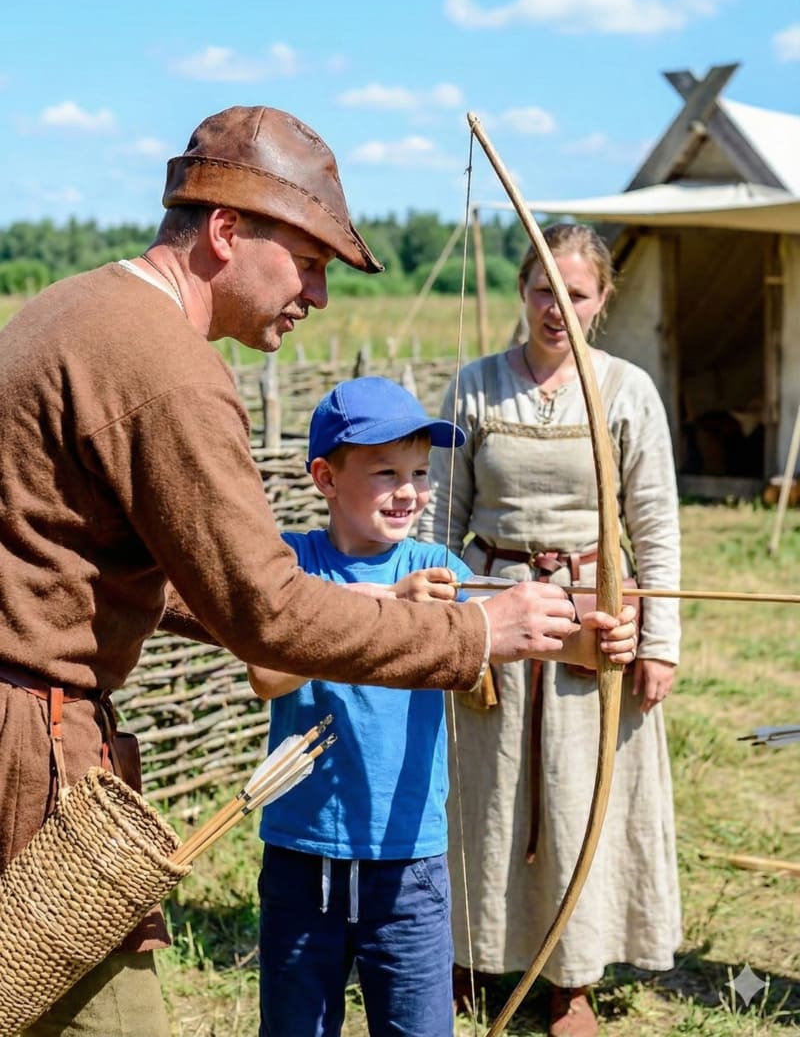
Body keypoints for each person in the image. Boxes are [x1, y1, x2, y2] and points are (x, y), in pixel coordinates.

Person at [0, 113, 637, 1037]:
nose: (321, 295)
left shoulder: (75, 308)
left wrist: (364, 602)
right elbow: (263, 609)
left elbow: (130, 570)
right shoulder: (165, 364)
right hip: (30, 741)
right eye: (306, 262)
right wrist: (477, 631)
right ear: (226, 231)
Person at [417, 223, 681, 1037]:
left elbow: (655, 523)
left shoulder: (627, 389)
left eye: (577, 293)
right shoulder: (476, 386)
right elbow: (439, 515)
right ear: (523, 290)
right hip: (493, 612)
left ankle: (573, 978)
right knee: (483, 795)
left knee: (578, 796)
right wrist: (435, 617)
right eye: (543, 289)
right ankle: (470, 957)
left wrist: (660, 641)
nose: (556, 308)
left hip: (592, 618)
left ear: (602, 301)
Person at [248, 375, 475, 1037]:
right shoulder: (292, 564)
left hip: (408, 863)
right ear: (326, 477)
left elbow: (512, 625)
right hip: (302, 856)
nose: (409, 491)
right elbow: (267, 674)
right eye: (385, 473)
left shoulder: (437, 568)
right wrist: (388, 605)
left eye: (420, 472)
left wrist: (592, 634)